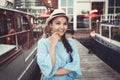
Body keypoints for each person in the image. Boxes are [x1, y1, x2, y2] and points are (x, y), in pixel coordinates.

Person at [37, 9, 82, 80]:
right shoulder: (43, 43)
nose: (62, 27)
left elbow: (75, 64)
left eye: (65, 24)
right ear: (50, 25)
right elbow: (45, 68)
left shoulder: (71, 42)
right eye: (58, 23)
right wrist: (52, 46)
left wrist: (51, 71)